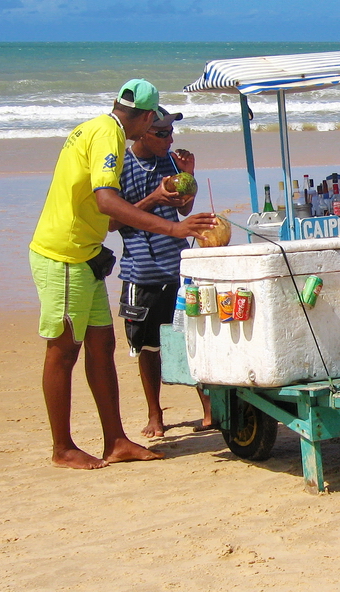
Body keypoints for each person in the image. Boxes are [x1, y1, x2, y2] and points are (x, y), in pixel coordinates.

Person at [28, 79, 217, 470]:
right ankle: (62, 448)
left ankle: (115, 440)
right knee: (64, 351)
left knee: (102, 346)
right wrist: (174, 228)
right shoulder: (109, 136)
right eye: (158, 126)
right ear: (146, 118)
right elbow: (107, 201)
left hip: (87, 255)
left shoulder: (99, 128)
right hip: (63, 254)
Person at [115, 107, 213, 438]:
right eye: (162, 134)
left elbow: (182, 208)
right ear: (142, 130)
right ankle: (154, 414)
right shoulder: (121, 166)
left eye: (171, 133)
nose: (170, 140)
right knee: (147, 346)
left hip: (177, 264)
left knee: (191, 336)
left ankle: (208, 409)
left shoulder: (170, 161)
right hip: (140, 269)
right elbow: (113, 221)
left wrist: (190, 178)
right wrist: (153, 197)